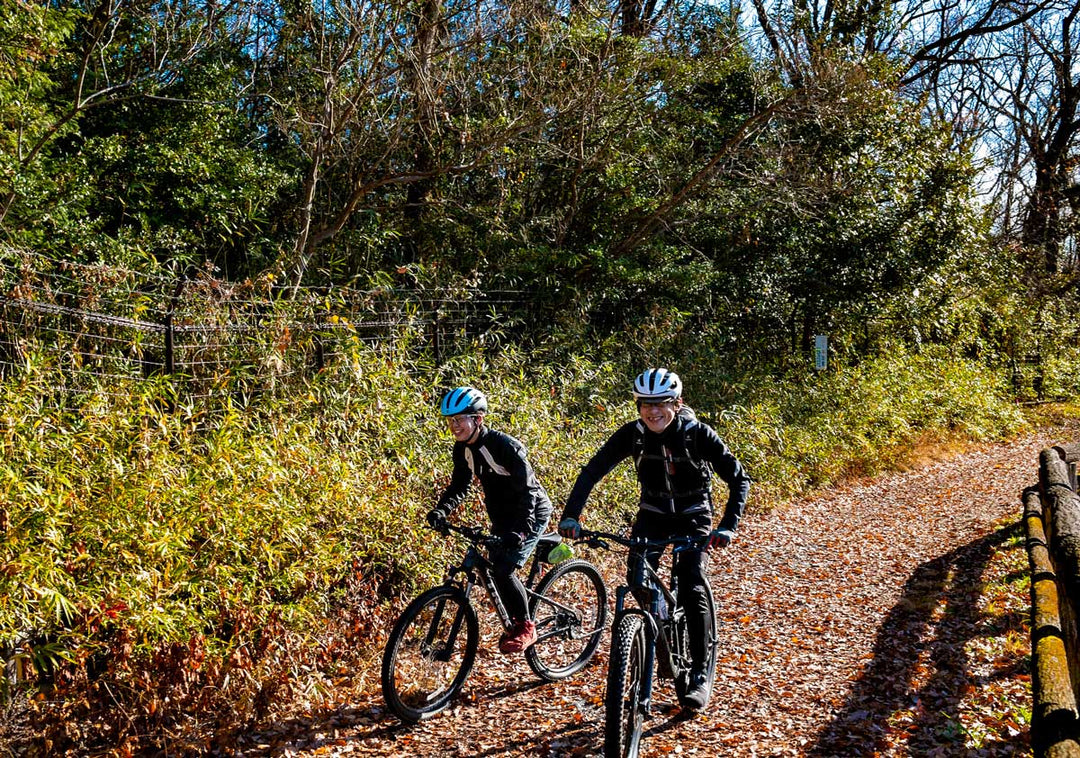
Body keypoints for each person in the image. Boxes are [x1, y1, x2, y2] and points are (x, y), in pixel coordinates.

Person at [558, 368, 750, 710]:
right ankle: (658, 633)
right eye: (646, 404)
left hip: (694, 514)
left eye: (661, 403)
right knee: (637, 580)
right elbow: (592, 471)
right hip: (652, 514)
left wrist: (727, 526)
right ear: (638, 406)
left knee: (691, 582)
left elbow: (739, 479)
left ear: (676, 403)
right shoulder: (632, 435)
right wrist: (571, 515)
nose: (653, 411)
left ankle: (700, 672)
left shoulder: (697, 434)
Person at [427, 386, 553, 654]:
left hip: (531, 511)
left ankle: (526, 626)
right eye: (451, 420)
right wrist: (441, 510)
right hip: (502, 515)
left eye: (460, 419)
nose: (454, 425)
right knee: (495, 568)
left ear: (478, 419)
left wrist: (520, 531)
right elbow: (460, 486)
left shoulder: (505, 446)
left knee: (504, 568)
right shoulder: (462, 449)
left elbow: (529, 491)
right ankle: (515, 619)